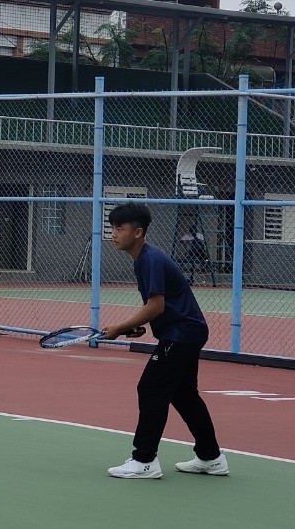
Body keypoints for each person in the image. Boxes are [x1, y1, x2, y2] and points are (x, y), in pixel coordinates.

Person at [101, 202, 226, 480]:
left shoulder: (150, 259)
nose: (113, 234)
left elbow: (156, 305)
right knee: (184, 395)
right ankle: (211, 457)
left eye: (119, 228)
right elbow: (158, 306)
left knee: (150, 388)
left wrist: (120, 327)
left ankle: (144, 460)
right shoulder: (144, 259)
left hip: (181, 335)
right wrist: (135, 326)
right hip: (184, 332)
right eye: (112, 228)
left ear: (138, 232)